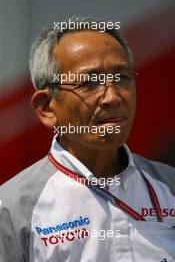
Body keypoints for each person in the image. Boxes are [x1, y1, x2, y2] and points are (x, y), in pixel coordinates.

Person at [0, 16, 175, 262]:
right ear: (47, 107)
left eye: (122, 77)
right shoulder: (11, 209)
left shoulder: (169, 187)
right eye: (89, 83)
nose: (112, 97)